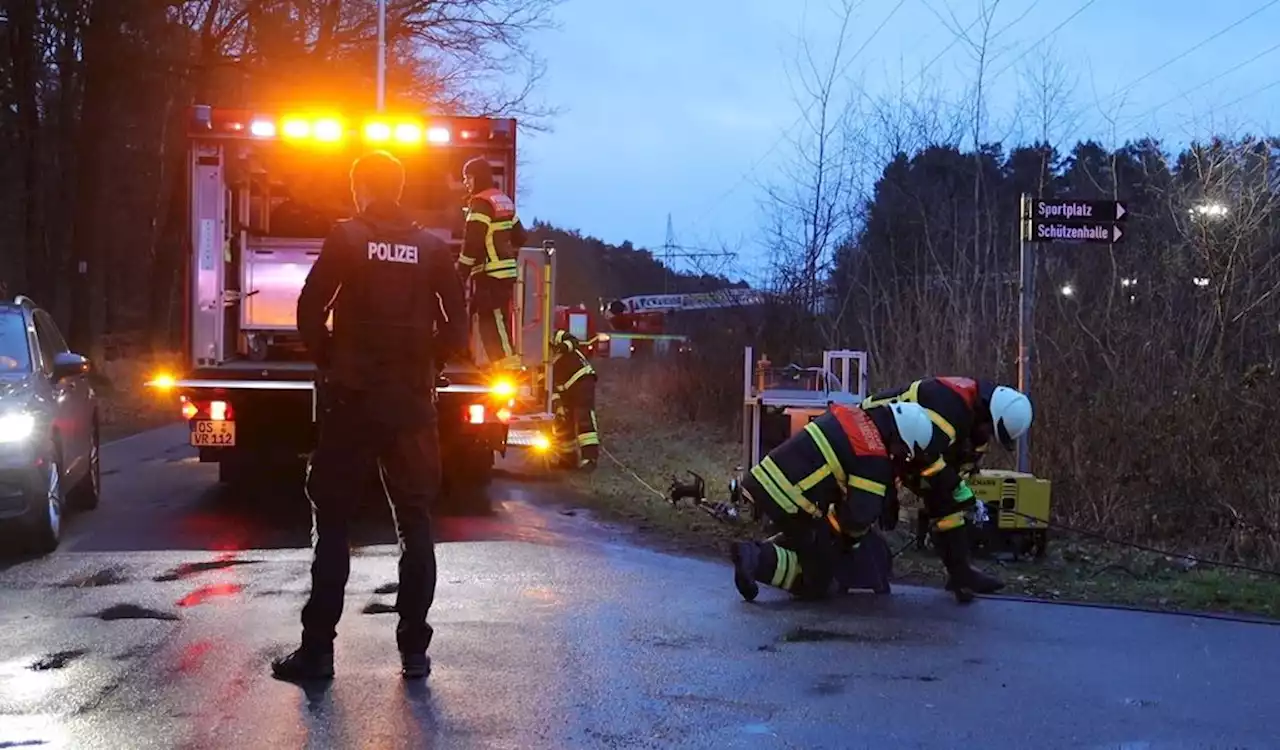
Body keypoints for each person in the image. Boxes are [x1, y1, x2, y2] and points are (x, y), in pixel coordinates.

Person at [272, 150, 467, 682]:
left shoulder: (348, 238)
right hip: (410, 405)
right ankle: (414, 652)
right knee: (415, 523)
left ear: (361, 189)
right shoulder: (431, 248)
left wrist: (331, 358)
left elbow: (309, 309)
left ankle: (317, 653)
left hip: (352, 401)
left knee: (333, 521)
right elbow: (458, 328)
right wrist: (429, 362)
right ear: (399, 189)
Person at [730, 401, 937, 602]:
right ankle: (756, 558)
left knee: (813, 541)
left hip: (766, 480)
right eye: (905, 453)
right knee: (820, 577)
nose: (902, 459)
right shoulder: (873, 457)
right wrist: (847, 544)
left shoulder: (857, 416)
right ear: (900, 439)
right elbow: (858, 518)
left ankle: (760, 554)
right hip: (790, 499)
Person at [861, 377, 1033, 601]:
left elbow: (954, 467)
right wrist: (955, 489)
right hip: (872, 434)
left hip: (905, 448)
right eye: (989, 429)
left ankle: (961, 574)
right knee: (873, 502)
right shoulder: (948, 407)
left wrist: (961, 495)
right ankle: (847, 556)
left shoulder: (974, 423)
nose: (988, 434)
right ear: (988, 414)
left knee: (949, 504)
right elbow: (926, 457)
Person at [456, 157, 527, 370]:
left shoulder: (480, 203)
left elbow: (473, 243)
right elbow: (520, 237)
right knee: (490, 317)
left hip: (491, 272)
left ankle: (508, 365)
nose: (465, 183)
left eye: (467, 177)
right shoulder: (502, 200)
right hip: (504, 270)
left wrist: (462, 272)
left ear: (476, 177)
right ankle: (500, 362)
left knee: (492, 318)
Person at [549, 329, 599, 470]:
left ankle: (589, 460)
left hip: (582, 379)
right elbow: (549, 388)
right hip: (566, 389)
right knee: (564, 419)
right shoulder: (534, 361)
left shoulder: (553, 335)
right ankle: (568, 460)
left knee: (583, 417)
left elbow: (573, 341)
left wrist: (561, 348)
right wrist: (558, 406)